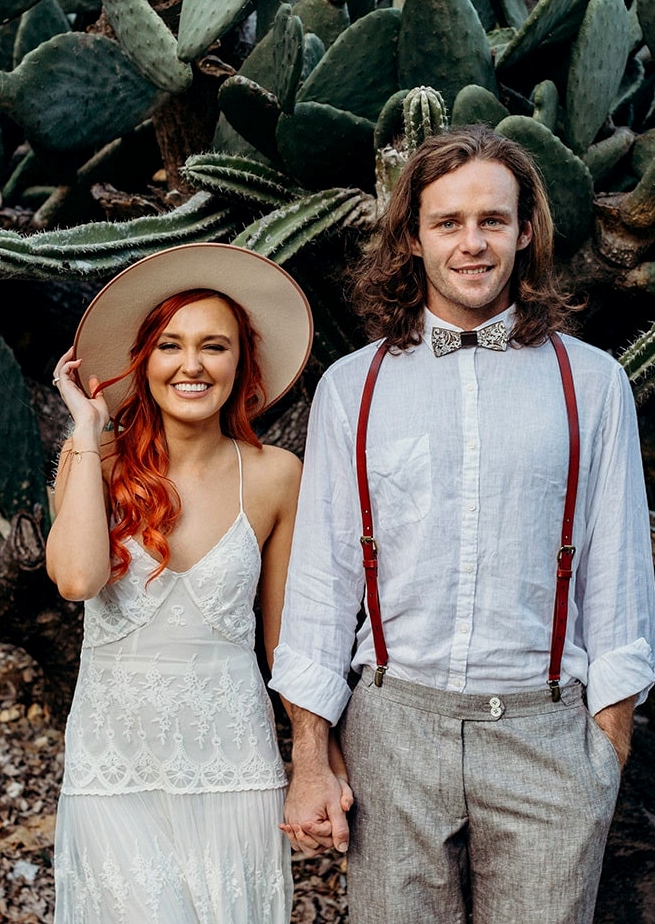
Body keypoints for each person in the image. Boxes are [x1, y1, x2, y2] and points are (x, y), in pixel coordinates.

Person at [270, 125, 655, 924]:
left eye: (492, 220)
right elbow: (319, 584)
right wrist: (311, 754)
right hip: (391, 736)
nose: (471, 243)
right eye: (448, 222)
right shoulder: (354, 388)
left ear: (525, 232)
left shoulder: (594, 384)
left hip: (546, 734)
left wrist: (604, 753)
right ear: (412, 237)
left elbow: (617, 575)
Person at [46, 242, 315, 924]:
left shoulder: (277, 474)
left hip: (233, 767)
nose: (191, 365)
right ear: (144, 362)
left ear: (240, 364)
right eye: (169, 345)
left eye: (213, 347)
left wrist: (315, 763)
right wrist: (85, 427)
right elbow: (77, 578)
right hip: (115, 770)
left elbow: (285, 645)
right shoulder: (93, 462)